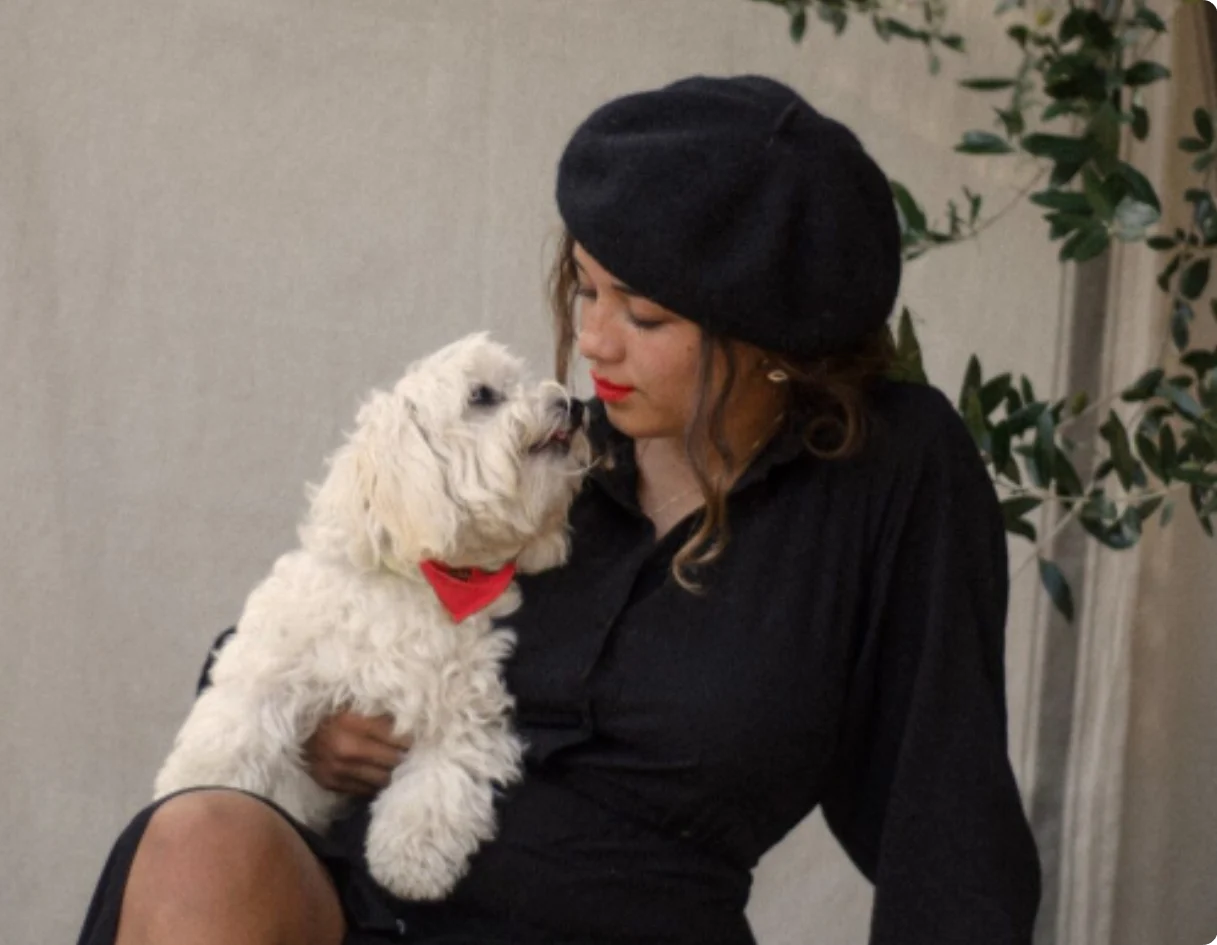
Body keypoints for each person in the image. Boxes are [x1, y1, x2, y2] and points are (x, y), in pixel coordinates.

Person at [77, 74, 1041, 945]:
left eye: (644, 316)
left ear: (771, 342)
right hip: (361, 903)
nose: (591, 344)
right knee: (200, 837)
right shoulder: (537, 448)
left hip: (617, 917)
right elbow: (302, 615)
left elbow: (945, 811)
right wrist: (315, 729)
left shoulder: (887, 474)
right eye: (585, 289)